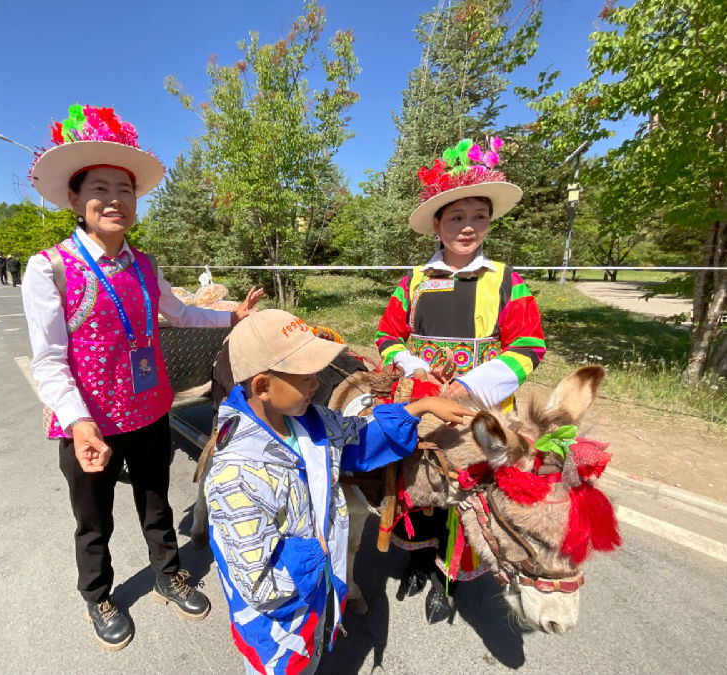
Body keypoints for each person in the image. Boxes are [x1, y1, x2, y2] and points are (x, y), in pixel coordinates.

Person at [21, 104, 264, 652]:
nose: (114, 200)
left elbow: (179, 314)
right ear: (75, 200)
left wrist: (233, 317)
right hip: (88, 425)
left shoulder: (145, 265)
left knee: (157, 501)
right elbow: (49, 360)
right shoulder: (51, 269)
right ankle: (98, 594)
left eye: (125, 190)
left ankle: (168, 574)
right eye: (100, 188)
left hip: (150, 409)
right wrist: (79, 422)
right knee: (93, 520)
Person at [206, 309, 474, 675]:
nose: (317, 384)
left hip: (314, 600)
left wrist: (420, 407)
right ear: (263, 386)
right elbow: (260, 585)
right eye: (306, 376)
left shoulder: (305, 421)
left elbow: (357, 434)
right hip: (281, 628)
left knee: (313, 658)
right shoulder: (236, 475)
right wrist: (324, 551)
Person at [374, 137, 546, 621]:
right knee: (417, 483)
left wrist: (474, 385)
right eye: (456, 217)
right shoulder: (412, 281)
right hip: (425, 404)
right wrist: (415, 368)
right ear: (437, 224)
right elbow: (387, 337)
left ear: (490, 222)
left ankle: (447, 580)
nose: (467, 226)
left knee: (467, 495)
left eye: (478, 216)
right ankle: (418, 562)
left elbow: (530, 346)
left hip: (481, 411)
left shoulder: (507, 281)